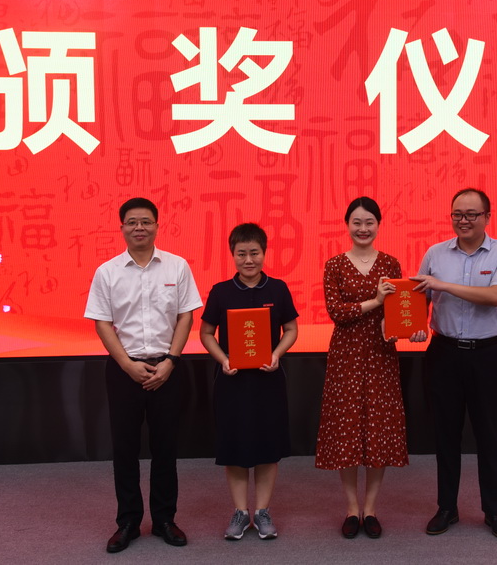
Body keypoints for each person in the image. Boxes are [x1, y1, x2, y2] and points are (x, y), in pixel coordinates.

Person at [84, 197, 202, 553]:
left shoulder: (177, 266)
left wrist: (171, 361)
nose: (140, 227)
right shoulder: (107, 272)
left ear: (157, 226)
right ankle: (128, 522)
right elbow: (102, 322)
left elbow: (186, 316)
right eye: (132, 222)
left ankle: (165, 519)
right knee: (125, 449)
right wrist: (126, 364)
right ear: (121, 228)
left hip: (167, 368)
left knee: (166, 447)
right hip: (125, 370)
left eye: (146, 221)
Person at [315, 197, 425, 539]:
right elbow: (337, 312)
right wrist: (374, 301)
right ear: (346, 225)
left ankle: (372, 509)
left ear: (378, 225)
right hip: (345, 356)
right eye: (357, 222)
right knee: (347, 430)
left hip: (380, 355)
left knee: (378, 429)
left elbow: (397, 311)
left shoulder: (390, 263)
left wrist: (410, 329)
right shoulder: (334, 265)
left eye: (369, 222)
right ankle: (352, 509)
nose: (363, 229)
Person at [412, 187, 497, 540]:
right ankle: (447, 507)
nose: (464, 220)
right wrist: (409, 324)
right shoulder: (435, 253)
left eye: (471, 214)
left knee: (488, 434)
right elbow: (419, 298)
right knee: (445, 434)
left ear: (487, 217)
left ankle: (494, 511)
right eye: (457, 214)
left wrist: (443, 285)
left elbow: (496, 296)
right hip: (444, 353)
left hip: (487, 355)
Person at [199, 223, 298, 541]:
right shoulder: (221, 291)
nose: (248, 260)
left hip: (269, 381)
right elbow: (206, 333)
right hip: (232, 382)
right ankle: (241, 512)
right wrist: (223, 359)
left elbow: (291, 329)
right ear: (233, 255)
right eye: (241, 253)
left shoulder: (278, 289)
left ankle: (263, 511)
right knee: (236, 448)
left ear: (264, 253)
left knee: (268, 448)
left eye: (254, 252)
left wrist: (277, 354)